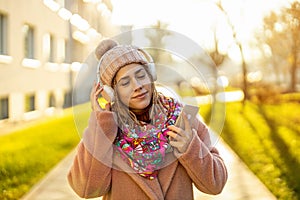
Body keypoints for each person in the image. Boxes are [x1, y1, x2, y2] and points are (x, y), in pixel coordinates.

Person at [67, 39, 228, 200]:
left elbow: (216, 184)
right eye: (125, 82)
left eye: (141, 75)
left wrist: (191, 148)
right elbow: (86, 189)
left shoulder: (183, 120)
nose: (137, 86)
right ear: (111, 93)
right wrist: (101, 125)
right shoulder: (104, 131)